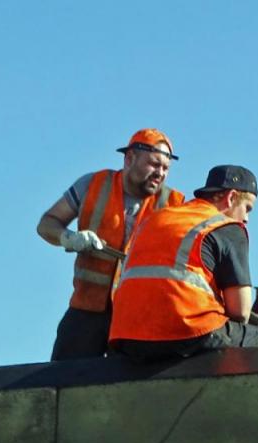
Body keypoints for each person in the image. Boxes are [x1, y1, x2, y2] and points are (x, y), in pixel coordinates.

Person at [36, 128, 184, 361]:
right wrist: (69, 238)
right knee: (63, 380)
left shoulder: (175, 205)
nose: (160, 173)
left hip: (137, 319)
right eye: (154, 164)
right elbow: (46, 224)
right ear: (129, 158)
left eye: (165, 168)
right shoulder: (93, 185)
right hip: (86, 311)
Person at [109, 165, 258, 361]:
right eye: (247, 209)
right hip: (187, 332)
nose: (246, 218)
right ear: (231, 198)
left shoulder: (156, 219)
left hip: (126, 337)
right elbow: (240, 311)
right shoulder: (227, 227)